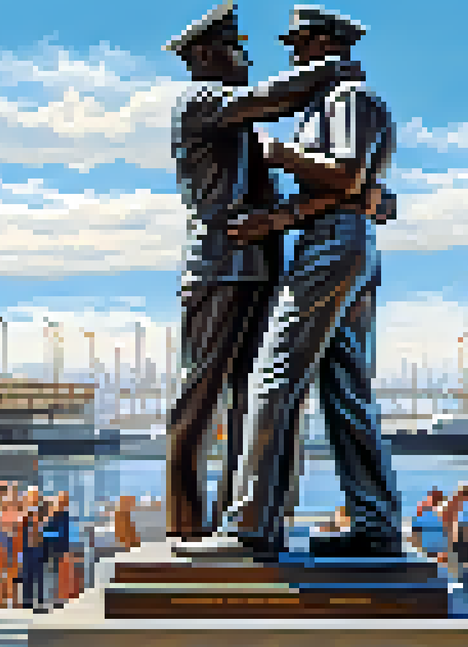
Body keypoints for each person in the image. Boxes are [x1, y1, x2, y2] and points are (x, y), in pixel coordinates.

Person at [164, 1, 368, 545]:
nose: (245, 56)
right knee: (200, 398)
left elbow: (293, 164)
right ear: (206, 55)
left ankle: (245, 521)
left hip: (259, 267)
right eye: (235, 47)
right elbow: (268, 98)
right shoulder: (202, 100)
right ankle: (185, 523)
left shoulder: (238, 116)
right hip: (219, 267)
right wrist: (331, 69)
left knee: (254, 397)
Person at [218, 5, 402, 559]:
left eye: (300, 45)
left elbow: (346, 173)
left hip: (332, 246)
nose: (294, 55)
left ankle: (250, 524)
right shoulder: (341, 103)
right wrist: (277, 220)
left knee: (273, 377)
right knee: (346, 391)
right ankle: (376, 524)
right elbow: (360, 190)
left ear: (326, 45)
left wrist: (281, 154)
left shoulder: (348, 101)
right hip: (342, 240)